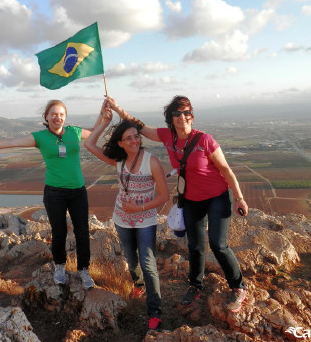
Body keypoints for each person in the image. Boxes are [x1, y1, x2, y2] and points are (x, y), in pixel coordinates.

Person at [106, 95, 249, 313]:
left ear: (192, 115)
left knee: (218, 245)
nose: (182, 117)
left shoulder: (205, 140)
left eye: (186, 112)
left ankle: (238, 287)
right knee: (195, 245)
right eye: (177, 113)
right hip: (191, 199)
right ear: (170, 118)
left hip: (217, 197)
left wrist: (238, 197)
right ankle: (195, 285)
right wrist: (117, 109)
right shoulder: (167, 136)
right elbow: (139, 127)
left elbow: (226, 170)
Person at [0, 99, 102, 290]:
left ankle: (83, 270)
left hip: (78, 191)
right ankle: (59, 267)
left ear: (65, 117)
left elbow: (94, 131)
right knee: (58, 232)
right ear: (47, 117)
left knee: (82, 232)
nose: (57, 117)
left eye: (61, 114)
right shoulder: (40, 137)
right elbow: (10, 142)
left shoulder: (75, 132)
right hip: (55, 192)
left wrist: (103, 113)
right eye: (54, 114)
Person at [84, 105, 169, 331]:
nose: (134, 141)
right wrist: (103, 121)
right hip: (121, 219)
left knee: (148, 264)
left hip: (146, 220)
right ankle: (138, 285)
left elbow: (164, 196)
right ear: (120, 143)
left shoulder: (151, 162)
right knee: (132, 260)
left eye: (136, 137)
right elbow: (89, 144)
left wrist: (139, 209)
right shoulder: (118, 161)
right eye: (128, 138)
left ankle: (155, 311)